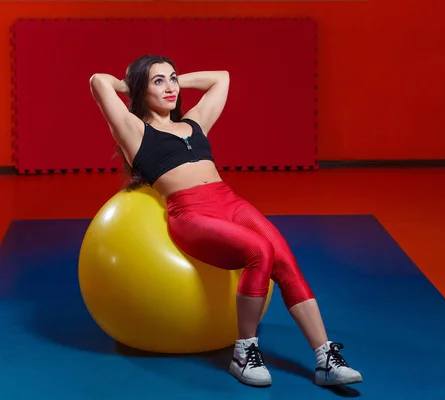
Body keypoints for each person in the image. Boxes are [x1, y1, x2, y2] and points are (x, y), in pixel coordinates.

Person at [88, 54, 363, 388]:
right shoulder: (134, 131)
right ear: (140, 89)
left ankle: (325, 358)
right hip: (190, 213)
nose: (171, 87)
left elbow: (222, 78)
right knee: (259, 251)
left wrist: (175, 80)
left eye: (172, 78)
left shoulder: (193, 123)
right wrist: (130, 85)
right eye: (158, 81)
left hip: (230, 202)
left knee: (285, 260)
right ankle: (243, 354)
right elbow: (98, 81)